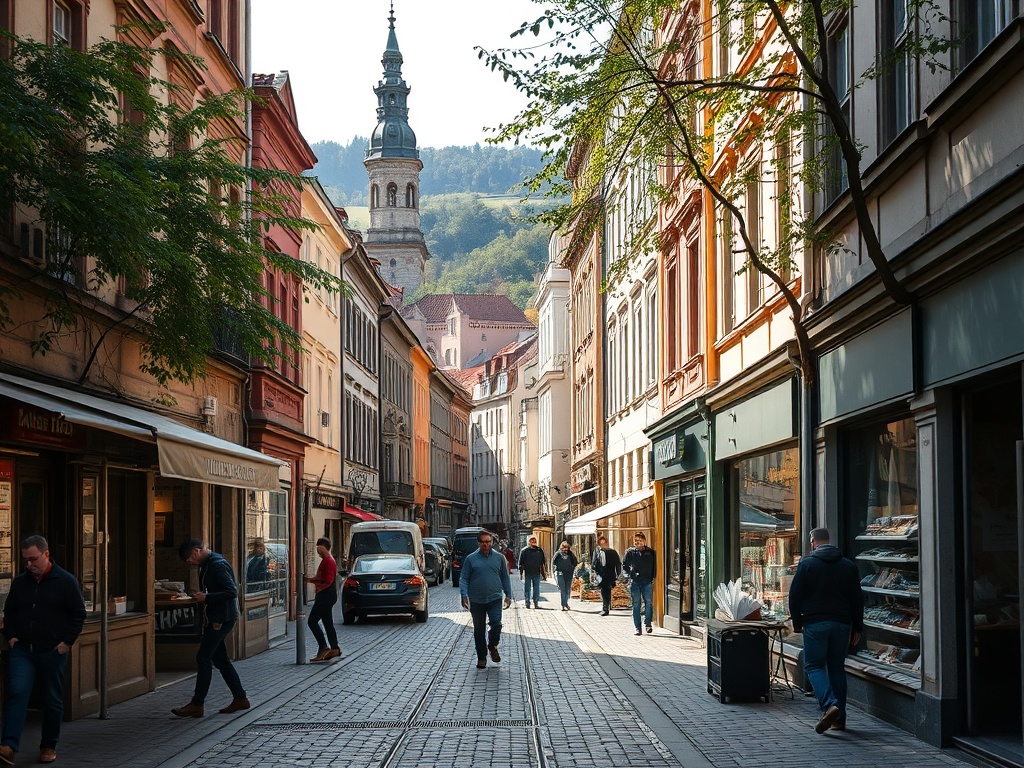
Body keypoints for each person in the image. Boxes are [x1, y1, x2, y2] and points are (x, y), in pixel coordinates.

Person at [0, 535, 86, 765]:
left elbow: (78, 614)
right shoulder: (21, 582)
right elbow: (10, 611)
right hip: (23, 650)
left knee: (51, 698)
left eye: (34, 559)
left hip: (52, 650)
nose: (29, 565)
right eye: (26, 560)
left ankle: (49, 745)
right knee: (17, 692)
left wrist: (66, 643)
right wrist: (10, 636)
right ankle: (7, 746)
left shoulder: (66, 581)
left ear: (46, 554)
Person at [788, 527, 864, 734]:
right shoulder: (848, 565)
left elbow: (794, 597)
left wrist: (797, 623)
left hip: (815, 623)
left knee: (813, 666)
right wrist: (858, 626)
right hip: (842, 624)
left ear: (813, 542)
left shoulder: (807, 564)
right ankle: (839, 720)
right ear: (829, 541)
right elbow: (857, 598)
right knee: (837, 667)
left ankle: (829, 704)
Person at [172, 539, 250, 718]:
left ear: (197, 551)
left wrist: (206, 597)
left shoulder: (216, 565)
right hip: (219, 616)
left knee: (203, 657)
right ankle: (240, 698)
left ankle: (197, 704)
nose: (188, 563)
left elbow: (231, 591)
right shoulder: (208, 564)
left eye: (188, 559)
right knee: (221, 659)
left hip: (221, 618)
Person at [459, 531, 513, 669]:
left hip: (494, 597)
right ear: (478, 543)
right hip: (476, 599)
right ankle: (481, 657)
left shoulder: (499, 558)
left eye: (488, 542)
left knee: (496, 624)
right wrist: (464, 595)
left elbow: (505, 577)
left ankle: (492, 645)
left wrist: (508, 595)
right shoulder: (471, 559)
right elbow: (464, 578)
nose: (486, 545)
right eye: (483, 542)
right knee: (479, 629)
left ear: (492, 542)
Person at [305, 537, 341, 663]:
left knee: (312, 621)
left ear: (324, 547)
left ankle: (323, 647)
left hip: (325, 595)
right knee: (327, 622)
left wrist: (315, 582)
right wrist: (310, 580)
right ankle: (335, 647)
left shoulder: (328, 561)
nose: (317, 550)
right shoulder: (326, 561)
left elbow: (328, 580)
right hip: (327, 595)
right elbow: (322, 578)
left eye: (318, 547)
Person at [622, 532, 656, 636]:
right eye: (636, 541)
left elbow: (654, 566)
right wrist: (628, 575)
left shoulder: (651, 552)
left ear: (645, 541)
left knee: (648, 604)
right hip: (635, 582)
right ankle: (638, 627)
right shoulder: (630, 552)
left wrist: (652, 578)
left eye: (640, 541)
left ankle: (648, 624)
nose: (638, 543)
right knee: (636, 605)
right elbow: (624, 565)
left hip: (647, 582)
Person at [591, 536, 622, 616]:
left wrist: (618, 575)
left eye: (604, 543)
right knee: (604, 591)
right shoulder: (597, 551)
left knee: (606, 590)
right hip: (601, 574)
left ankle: (606, 608)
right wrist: (594, 571)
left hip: (609, 574)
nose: (603, 545)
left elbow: (618, 564)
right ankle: (606, 607)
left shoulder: (612, 552)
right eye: (601, 543)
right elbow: (594, 562)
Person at [517, 535, 547, 608]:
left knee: (536, 588)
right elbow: (520, 563)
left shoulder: (539, 550)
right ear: (529, 542)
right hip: (527, 573)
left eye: (534, 540)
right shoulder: (524, 551)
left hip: (536, 572)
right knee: (527, 588)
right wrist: (521, 574)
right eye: (532, 540)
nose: (533, 542)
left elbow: (543, 563)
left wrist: (544, 574)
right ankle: (527, 602)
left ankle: (536, 602)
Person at [551, 540, 578, 611]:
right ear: (561, 548)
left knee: (568, 590)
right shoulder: (558, 554)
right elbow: (553, 563)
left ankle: (566, 603)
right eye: (564, 548)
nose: (565, 549)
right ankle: (563, 605)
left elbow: (575, 562)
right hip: (560, 574)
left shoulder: (570, 554)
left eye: (566, 548)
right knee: (563, 590)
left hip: (569, 574)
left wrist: (572, 568)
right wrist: (554, 571)